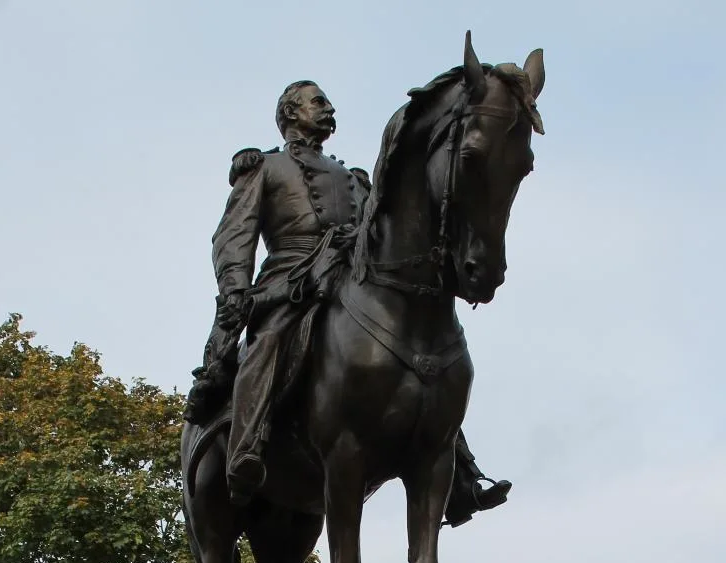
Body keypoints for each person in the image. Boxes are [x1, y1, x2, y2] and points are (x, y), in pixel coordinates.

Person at [185, 79, 511, 526]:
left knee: (418, 355)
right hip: (291, 278)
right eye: (317, 102)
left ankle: (460, 474)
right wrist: (236, 289)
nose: (328, 108)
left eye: (327, 103)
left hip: (347, 273)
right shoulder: (265, 167)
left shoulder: (354, 179)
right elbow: (233, 236)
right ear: (290, 113)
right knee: (270, 339)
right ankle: (246, 446)